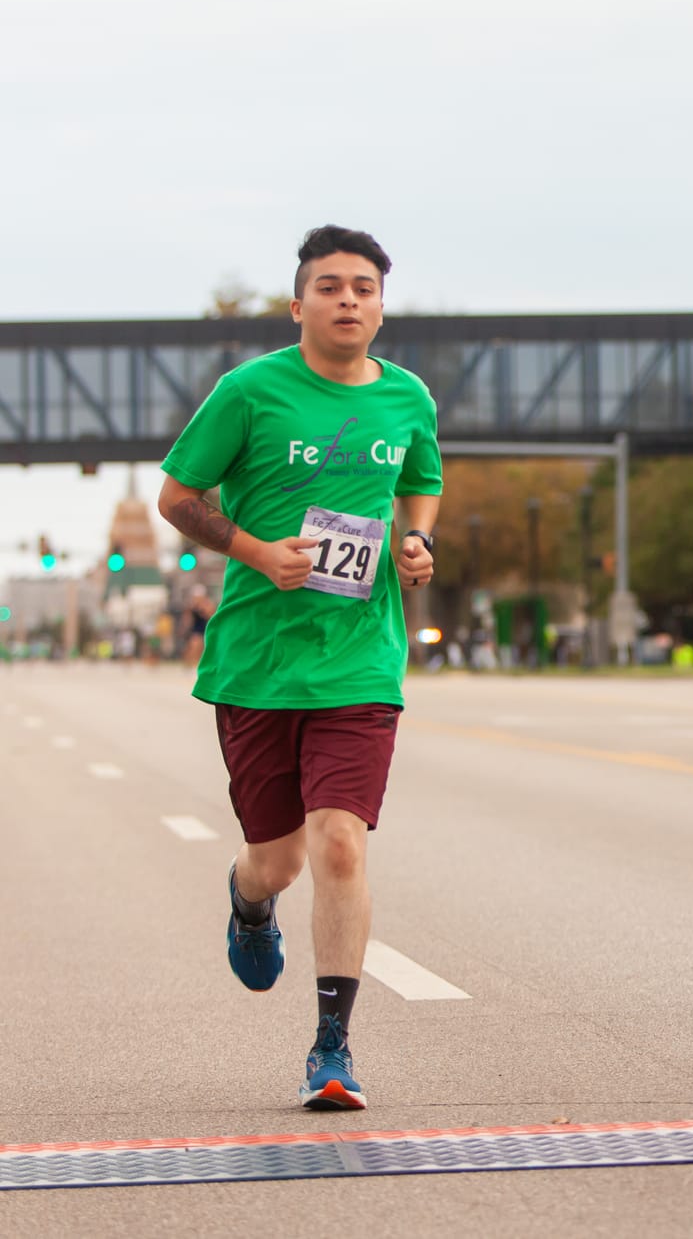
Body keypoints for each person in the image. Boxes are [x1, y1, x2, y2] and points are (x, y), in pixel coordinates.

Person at [156, 225, 442, 1110]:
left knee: (341, 841)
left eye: (364, 286)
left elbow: (421, 478)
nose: (348, 298)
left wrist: (418, 540)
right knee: (276, 861)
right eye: (330, 285)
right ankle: (249, 902)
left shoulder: (408, 398)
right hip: (259, 660)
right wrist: (255, 550)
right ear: (298, 304)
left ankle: (332, 1047)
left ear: (381, 306)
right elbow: (177, 496)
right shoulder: (250, 392)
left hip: (360, 660)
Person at [182, 586, 214, 666]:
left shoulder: (208, 604)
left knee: (203, 650)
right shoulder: (191, 606)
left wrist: (202, 609)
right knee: (194, 646)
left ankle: (197, 664)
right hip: (196, 631)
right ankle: (190, 665)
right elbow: (187, 620)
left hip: (207, 629)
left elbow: (211, 616)